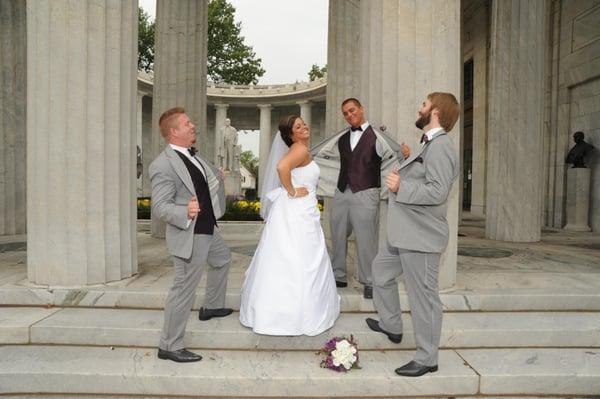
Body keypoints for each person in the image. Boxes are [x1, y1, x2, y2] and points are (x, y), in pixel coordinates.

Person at [366, 92, 460, 377]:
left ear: (436, 112)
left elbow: (438, 191)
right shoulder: (427, 144)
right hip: (403, 235)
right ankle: (392, 325)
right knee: (380, 272)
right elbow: (424, 176)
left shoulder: (441, 146)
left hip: (420, 238)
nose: (419, 107)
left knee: (424, 299)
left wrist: (400, 187)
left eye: (424, 104)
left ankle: (428, 358)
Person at [239, 115, 340, 336]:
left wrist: (292, 190)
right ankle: (297, 314)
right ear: (290, 134)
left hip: (299, 209)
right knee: (301, 257)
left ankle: (278, 311)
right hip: (298, 209)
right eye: (298, 126)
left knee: (289, 255)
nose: (304, 127)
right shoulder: (299, 149)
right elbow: (281, 167)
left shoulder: (299, 148)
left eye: (304, 123)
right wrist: (292, 190)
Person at [149, 107, 233, 363]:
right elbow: (160, 206)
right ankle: (169, 345)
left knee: (222, 259)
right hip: (190, 233)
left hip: (207, 227)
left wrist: (217, 177)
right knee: (183, 288)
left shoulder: (193, 155)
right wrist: (183, 210)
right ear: (174, 132)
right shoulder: (162, 165)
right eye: (187, 123)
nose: (193, 125)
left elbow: (202, 181)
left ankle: (212, 306)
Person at [311, 98, 409, 299]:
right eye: (345, 113)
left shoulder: (378, 136)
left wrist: (405, 155)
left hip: (366, 193)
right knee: (337, 235)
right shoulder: (341, 138)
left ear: (361, 109)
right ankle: (338, 275)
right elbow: (325, 158)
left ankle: (369, 281)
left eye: (352, 110)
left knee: (366, 240)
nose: (349, 115)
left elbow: (395, 156)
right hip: (341, 191)